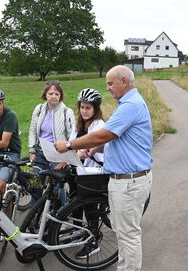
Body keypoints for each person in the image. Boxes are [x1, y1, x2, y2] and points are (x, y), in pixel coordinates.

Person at [55, 65, 153, 271]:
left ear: (123, 81)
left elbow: (105, 134)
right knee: (123, 232)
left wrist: (70, 145)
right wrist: (95, 148)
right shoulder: (127, 103)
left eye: (110, 83)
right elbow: (115, 136)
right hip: (123, 179)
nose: (108, 88)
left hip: (129, 181)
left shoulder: (130, 105)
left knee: (129, 234)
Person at [72, 88, 106, 259]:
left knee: (88, 204)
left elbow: (89, 149)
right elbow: (74, 143)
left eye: (88, 108)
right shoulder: (78, 124)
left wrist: (80, 152)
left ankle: (93, 241)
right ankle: (78, 229)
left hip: (96, 169)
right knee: (73, 197)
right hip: (81, 168)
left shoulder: (99, 125)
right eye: (82, 107)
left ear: (95, 109)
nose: (84, 111)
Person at [28, 79, 75, 201]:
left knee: (57, 187)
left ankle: (59, 214)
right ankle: (34, 215)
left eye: (57, 94)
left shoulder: (66, 112)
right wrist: (32, 151)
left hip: (58, 154)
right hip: (40, 152)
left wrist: (68, 158)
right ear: (45, 95)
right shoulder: (39, 109)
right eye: (50, 94)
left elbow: (72, 136)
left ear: (60, 96)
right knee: (36, 184)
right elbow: (33, 130)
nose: (53, 96)